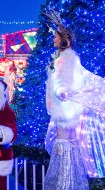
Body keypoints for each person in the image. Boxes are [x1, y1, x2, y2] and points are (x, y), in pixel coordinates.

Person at [44, 11, 105, 190]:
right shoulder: (65, 58)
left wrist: (60, 90)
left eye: (55, 37)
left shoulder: (64, 59)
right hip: (66, 107)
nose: (53, 40)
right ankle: (71, 184)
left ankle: (64, 184)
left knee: (63, 146)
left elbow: (62, 81)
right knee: (69, 145)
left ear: (63, 40)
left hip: (64, 108)